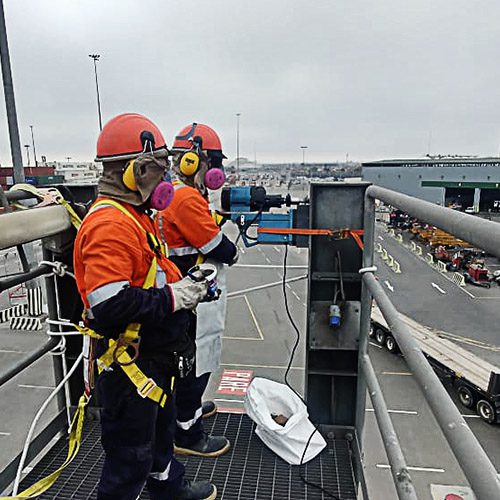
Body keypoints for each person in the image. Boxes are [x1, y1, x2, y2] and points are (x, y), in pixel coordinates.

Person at [73, 113, 217, 500]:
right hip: (130, 365)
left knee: (158, 439)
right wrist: (176, 296)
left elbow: (145, 275)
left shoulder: (135, 216)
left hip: (153, 360)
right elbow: (110, 304)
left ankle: (168, 489)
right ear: (136, 171)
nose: (166, 179)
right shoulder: (111, 224)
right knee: (129, 459)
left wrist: (184, 284)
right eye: (159, 167)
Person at [157, 123, 238, 457]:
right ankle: (188, 434)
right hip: (192, 296)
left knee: (187, 360)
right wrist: (232, 234)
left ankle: (185, 413)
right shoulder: (186, 197)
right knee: (196, 360)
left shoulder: (177, 193)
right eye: (215, 163)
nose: (217, 172)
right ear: (197, 161)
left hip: (181, 291)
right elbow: (221, 249)